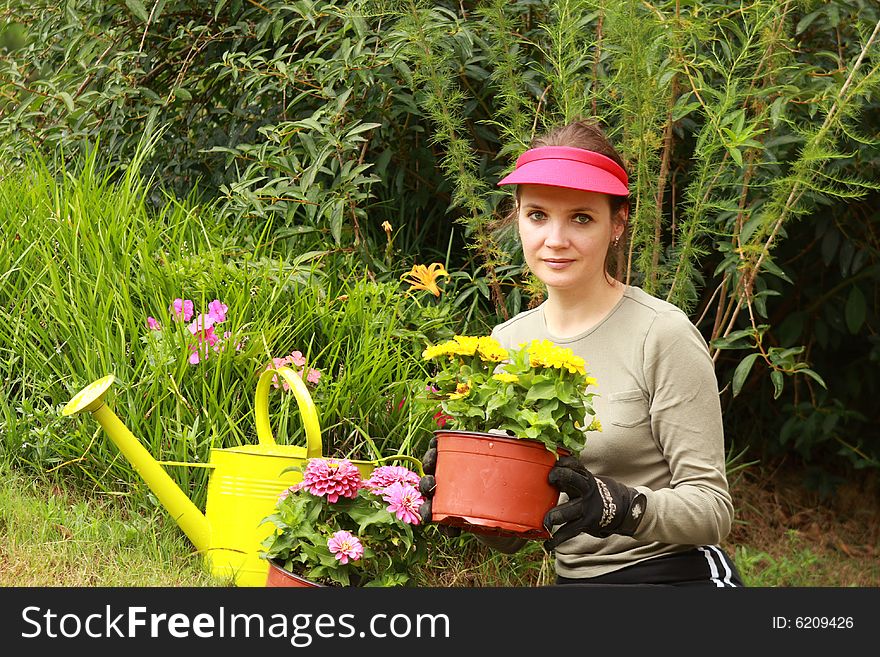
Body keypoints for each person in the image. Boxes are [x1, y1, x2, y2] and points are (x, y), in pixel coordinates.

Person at [419, 118, 744, 587]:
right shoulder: (505, 345)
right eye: (537, 215)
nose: (555, 240)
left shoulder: (661, 334)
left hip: (674, 574)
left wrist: (615, 505)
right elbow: (513, 532)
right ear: (517, 217)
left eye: (581, 217)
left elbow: (712, 510)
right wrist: (462, 494)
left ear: (618, 224)